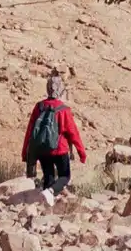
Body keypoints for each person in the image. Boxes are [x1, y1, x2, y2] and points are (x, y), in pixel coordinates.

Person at [21, 74, 88, 204]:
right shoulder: (63, 109)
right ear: (60, 89)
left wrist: (25, 153)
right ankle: (50, 192)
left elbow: (30, 131)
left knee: (49, 177)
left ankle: (46, 205)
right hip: (59, 149)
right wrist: (82, 153)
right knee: (64, 176)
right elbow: (73, 133)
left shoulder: (39, 107)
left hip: (42, 149)